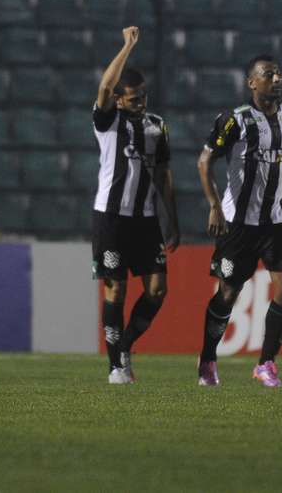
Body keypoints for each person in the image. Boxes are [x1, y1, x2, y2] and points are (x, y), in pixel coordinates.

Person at [196, 55, 282, 387]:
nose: (276, 79)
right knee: (228, 293)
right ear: (252, 83)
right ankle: (208, 358)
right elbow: (205, 162)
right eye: (268, 74)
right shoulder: (235, 121)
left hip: (277, 220)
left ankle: (266, 364)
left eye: (278, 73)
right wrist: (214, 206)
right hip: (239, 224)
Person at [92, 26, 180, 384]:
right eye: (133, 98)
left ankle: (125, 345)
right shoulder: (107, 121)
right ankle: (116, 366)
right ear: (119, 98)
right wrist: (127, 46)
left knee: (157, 290)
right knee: (116, 289)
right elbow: (103, 87)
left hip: (145, 221)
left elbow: (163, 175)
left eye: (143, 97)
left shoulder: (158, 126)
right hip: (111, 217)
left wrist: (172, 220)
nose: (140, 103)